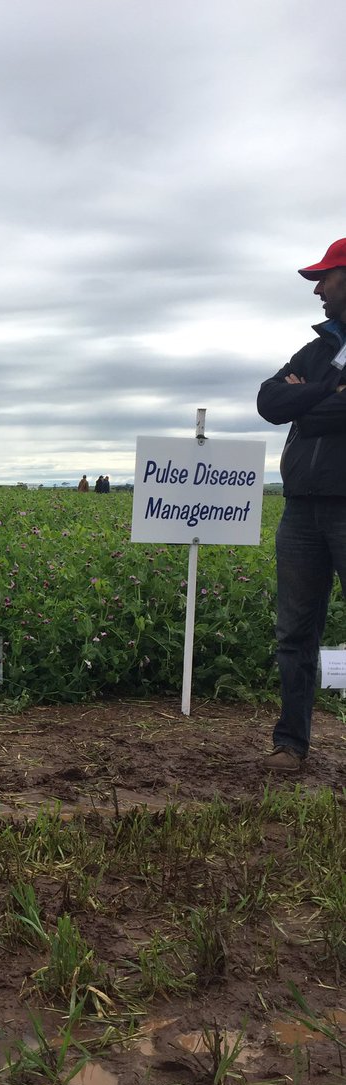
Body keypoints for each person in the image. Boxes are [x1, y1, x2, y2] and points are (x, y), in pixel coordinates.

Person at [257, 237, 346, 772]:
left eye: (326, 277)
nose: (317, 288)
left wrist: (303, 399)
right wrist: (328, 394)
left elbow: (294, 408)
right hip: (301, 510)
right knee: (293, 633)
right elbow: (269, 401)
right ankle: (291, 745)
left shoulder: (311, 362)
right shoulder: (316, 351)